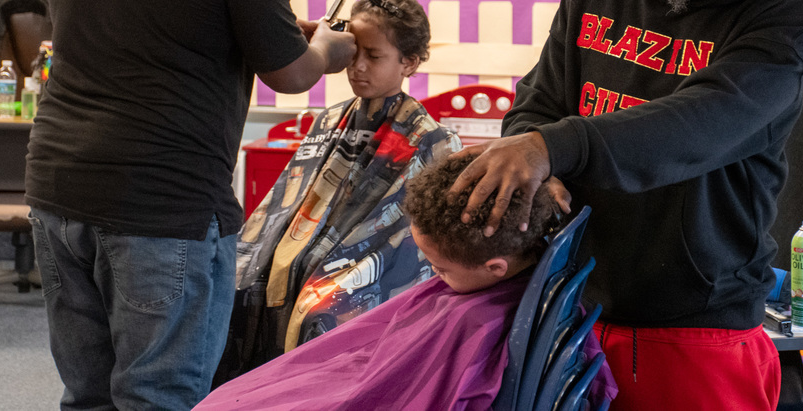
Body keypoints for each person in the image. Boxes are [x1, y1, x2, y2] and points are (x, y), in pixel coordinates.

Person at [451, 0, 803, 410]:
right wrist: (533, 157)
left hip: (697, 324)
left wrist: (553, 148)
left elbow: (701, 123)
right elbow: (541, 100)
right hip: (575, 304)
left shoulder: (784, 21)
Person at [24, 0, 355, 411]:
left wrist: (266, 28)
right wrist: (329, 45)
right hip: (162, 209)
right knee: (159, 395)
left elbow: (137, 34)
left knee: (87, 393)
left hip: (59, 196)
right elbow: (289, 73)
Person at [196, 154, 615, 410]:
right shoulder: (503, 287)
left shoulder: (477, 325)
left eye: (440, 270)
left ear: (496, 269)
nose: (433, 277)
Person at [215, 0, 462, 381]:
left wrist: (319, 262)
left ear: (409, 62)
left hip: (365, 268)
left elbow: (405, 240)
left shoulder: (432, 140)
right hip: (304, 253)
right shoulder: (328, 121)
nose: (358, 67)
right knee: (232, 284)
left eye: (374, 56)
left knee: (321, 311)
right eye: (353, 53)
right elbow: (282, 210)